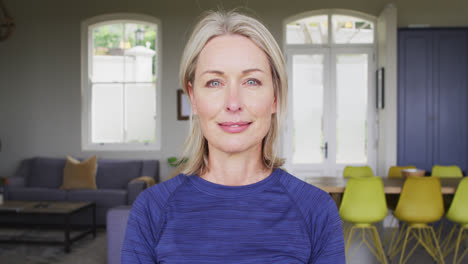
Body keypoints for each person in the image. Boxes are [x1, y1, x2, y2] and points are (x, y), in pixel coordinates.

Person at [121, 10, 345, 264]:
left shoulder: (316, 210)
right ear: (193, 98)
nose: (233, 103)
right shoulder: (151, 209)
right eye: (215, 83)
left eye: (251, 81)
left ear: (274, 97)